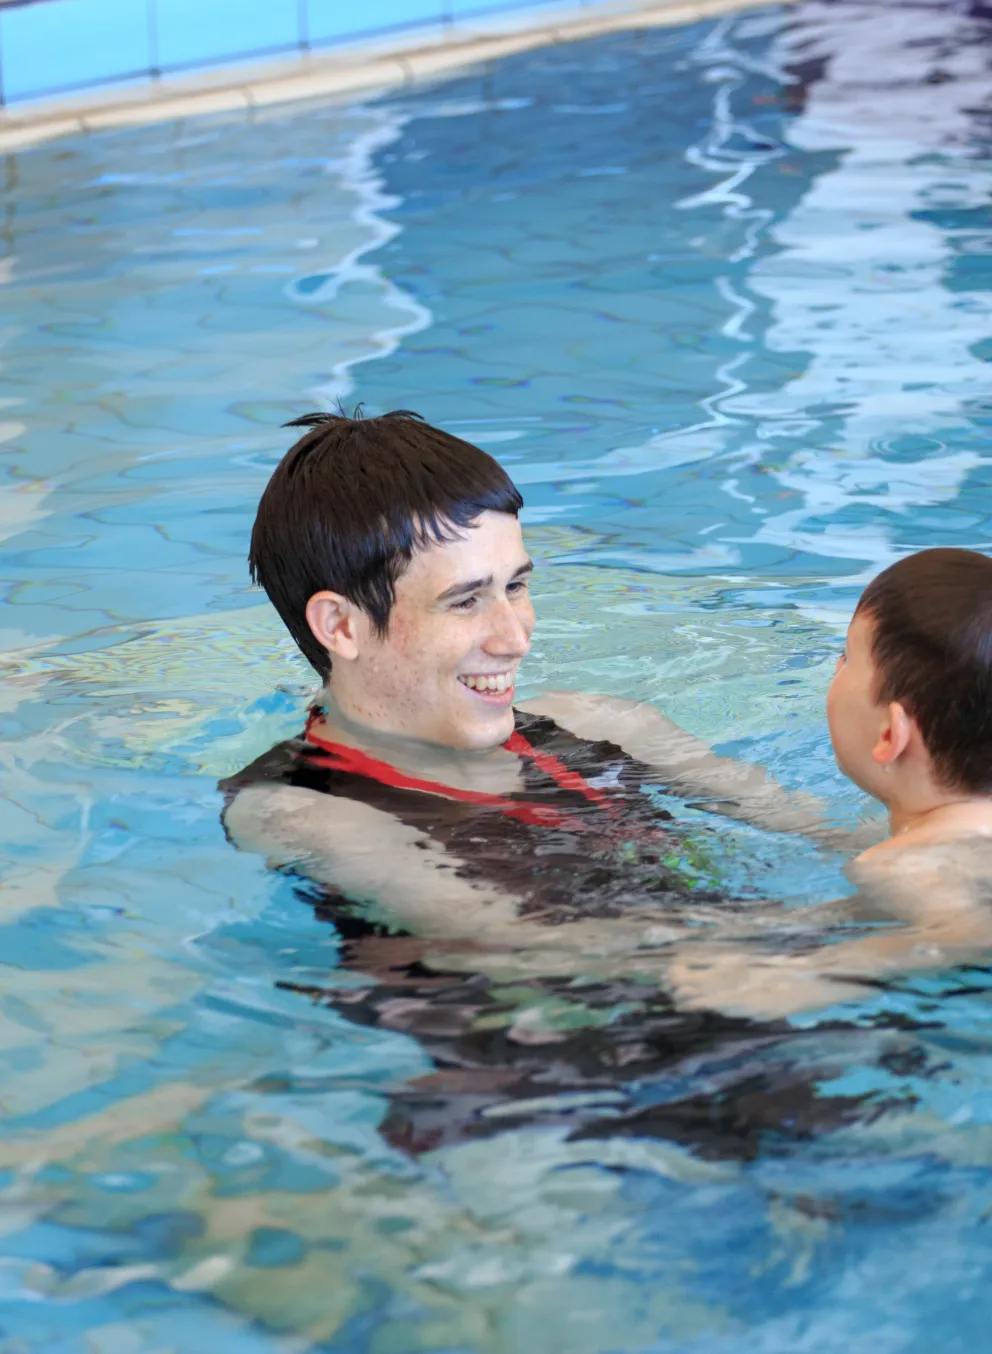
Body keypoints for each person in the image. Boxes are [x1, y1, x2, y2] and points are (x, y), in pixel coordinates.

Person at [222, 408, 857, 967]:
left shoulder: (602, 730)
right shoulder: (302, 811)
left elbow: (824, 829)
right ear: (342, 626)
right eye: (466, 601)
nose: (515, 637)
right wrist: (903, 936)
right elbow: (531, 945)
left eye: (516, 586)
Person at [672, 547, 992, 1017]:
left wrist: (823, 972)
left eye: (845, 658)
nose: (833, 669)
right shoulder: (943, 841)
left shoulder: (904, 867)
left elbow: (970, 931)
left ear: (890, 734)